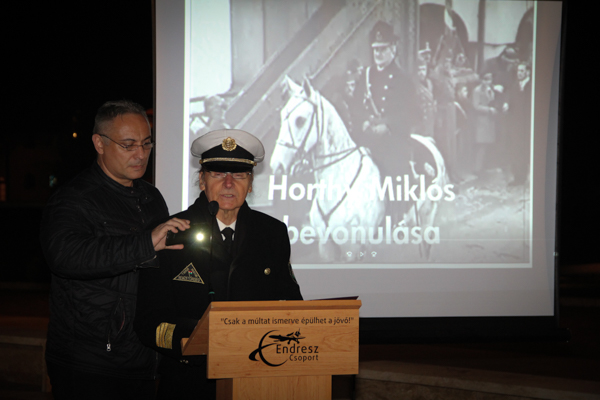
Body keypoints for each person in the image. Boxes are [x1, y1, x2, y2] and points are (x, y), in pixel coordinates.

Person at [134, 129, 303, 400]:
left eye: (239, 175)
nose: (228, 183)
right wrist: (195, 340)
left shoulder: (272, 233)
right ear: (202, 180)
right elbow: (148, 319)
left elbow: (291, 305)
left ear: (250, 184)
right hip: (189, 380)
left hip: (257, 377)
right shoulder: (169, 232)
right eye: (217, 174)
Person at [40, 100, 191, 400]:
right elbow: (65, 256)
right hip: (90, 365)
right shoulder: (73, 199)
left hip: (143, 358)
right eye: (128, 145)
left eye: (146, 143)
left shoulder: (151, 196)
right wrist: (145, 243)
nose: (141, 154)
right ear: (99, 143)